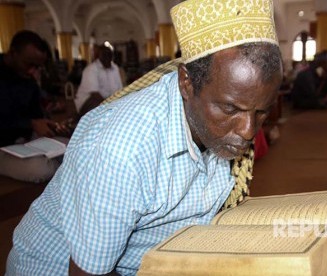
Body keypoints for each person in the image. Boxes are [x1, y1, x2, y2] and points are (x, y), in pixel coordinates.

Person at [6, 0, 283, 275]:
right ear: (186, 82)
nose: (248, 130)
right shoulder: (122, 151)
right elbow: (88, 273)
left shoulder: (215, 125)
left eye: (262, 111)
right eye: (230, 108)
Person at [0, 30, 69, 183]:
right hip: (3, 145)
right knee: (39, 169)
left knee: (74, 146)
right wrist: (31, 123)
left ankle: (65, 165)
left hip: (28, 141)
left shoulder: (29, 78)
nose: (33, 70)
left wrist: (47, 125)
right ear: (13, 53)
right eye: (29, 64)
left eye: (38, 66)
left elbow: (36, 114)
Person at [74, 45, 123, 116]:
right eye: (104, 55)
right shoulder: (91, 69)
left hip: (109, 100)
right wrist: (109, 105)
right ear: (99, 56)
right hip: (89, 101)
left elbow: (120, 88)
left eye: (109, 55)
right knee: (100, 110)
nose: (107, 57)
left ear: (112, 56)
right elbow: (94, 94)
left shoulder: (115, 68)